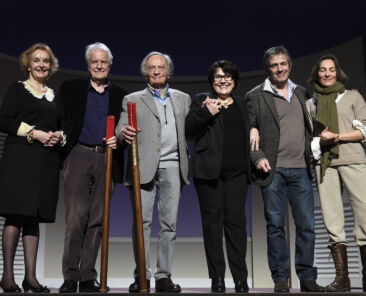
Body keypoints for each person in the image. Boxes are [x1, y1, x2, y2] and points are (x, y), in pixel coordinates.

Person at [245, 46, 324, 293]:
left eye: (283, 64)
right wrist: (257, 156)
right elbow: (249, 130)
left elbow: (314, 123)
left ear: (289, 65)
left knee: (307, 226)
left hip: (301, 168)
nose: (279, 69)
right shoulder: (255, 95)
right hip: (273, 171)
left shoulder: (302, 92)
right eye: (274, 65)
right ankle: (281, 278)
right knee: (275, 226)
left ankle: (307, 278)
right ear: (267, 68)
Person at [116, 51, 190, 293]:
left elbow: (194, 123)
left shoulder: (183, 98)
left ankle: (163, 276)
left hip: (173, 165)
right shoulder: (133, 99)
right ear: (145, 73)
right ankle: (142, 277)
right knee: (142, 223)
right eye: (151, 68)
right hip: (143, 166)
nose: (156, 71)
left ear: (168, 71)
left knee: (169, 224)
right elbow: (119, 130)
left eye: (160, 67)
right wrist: (123, 132)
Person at [56, 42, 126, 293]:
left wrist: (119, 140)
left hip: (107, 158)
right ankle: (70, 276)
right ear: (88, 65)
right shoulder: (71, 88)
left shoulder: (119, 94)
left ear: (109, 65)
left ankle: (88, 276)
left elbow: (124, 131)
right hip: (78, 155)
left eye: (103, 62)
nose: (99, 65)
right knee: (76, 219)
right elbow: (59, 119)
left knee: (98, 221)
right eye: (94, 61)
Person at [0, 43, 63, 293]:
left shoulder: (54, 95)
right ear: (28, 64)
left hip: (46, 161)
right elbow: (3, 119)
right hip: (20, 158)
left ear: (51, 65)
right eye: (36, 60)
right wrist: (33, 133)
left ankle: (30, 278)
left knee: (33, 218)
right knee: (16, 214)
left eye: (46, 61)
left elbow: (60, 125)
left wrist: (59, 136)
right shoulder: (18, 89)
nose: (41, 65)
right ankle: (7, 277)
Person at [185, 60, 251, 293]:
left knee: (236, 225)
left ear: (235, 80)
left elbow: (253, 128)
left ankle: (241, 279)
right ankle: (217, 279)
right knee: (212, 226)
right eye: (218, 77)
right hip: (208, 174)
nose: (223, 80)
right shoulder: (201, 101)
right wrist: (206, 113)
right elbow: (189, 131)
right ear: (212, 81)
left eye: (228, 76)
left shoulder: (243, 105)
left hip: (237, 174)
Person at [307, 54, 366, 292]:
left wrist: (338, 136)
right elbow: (311, 137)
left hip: (353, 160)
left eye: (331, 69)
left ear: (337, 72)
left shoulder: (353, 96)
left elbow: (363, 130)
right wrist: (322, 140)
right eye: (323, 70)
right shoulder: (311, 103)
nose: (328, 73)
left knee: (364, 215)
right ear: (317, 74)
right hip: (326, 163)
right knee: (332, 219)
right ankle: (343, 279)